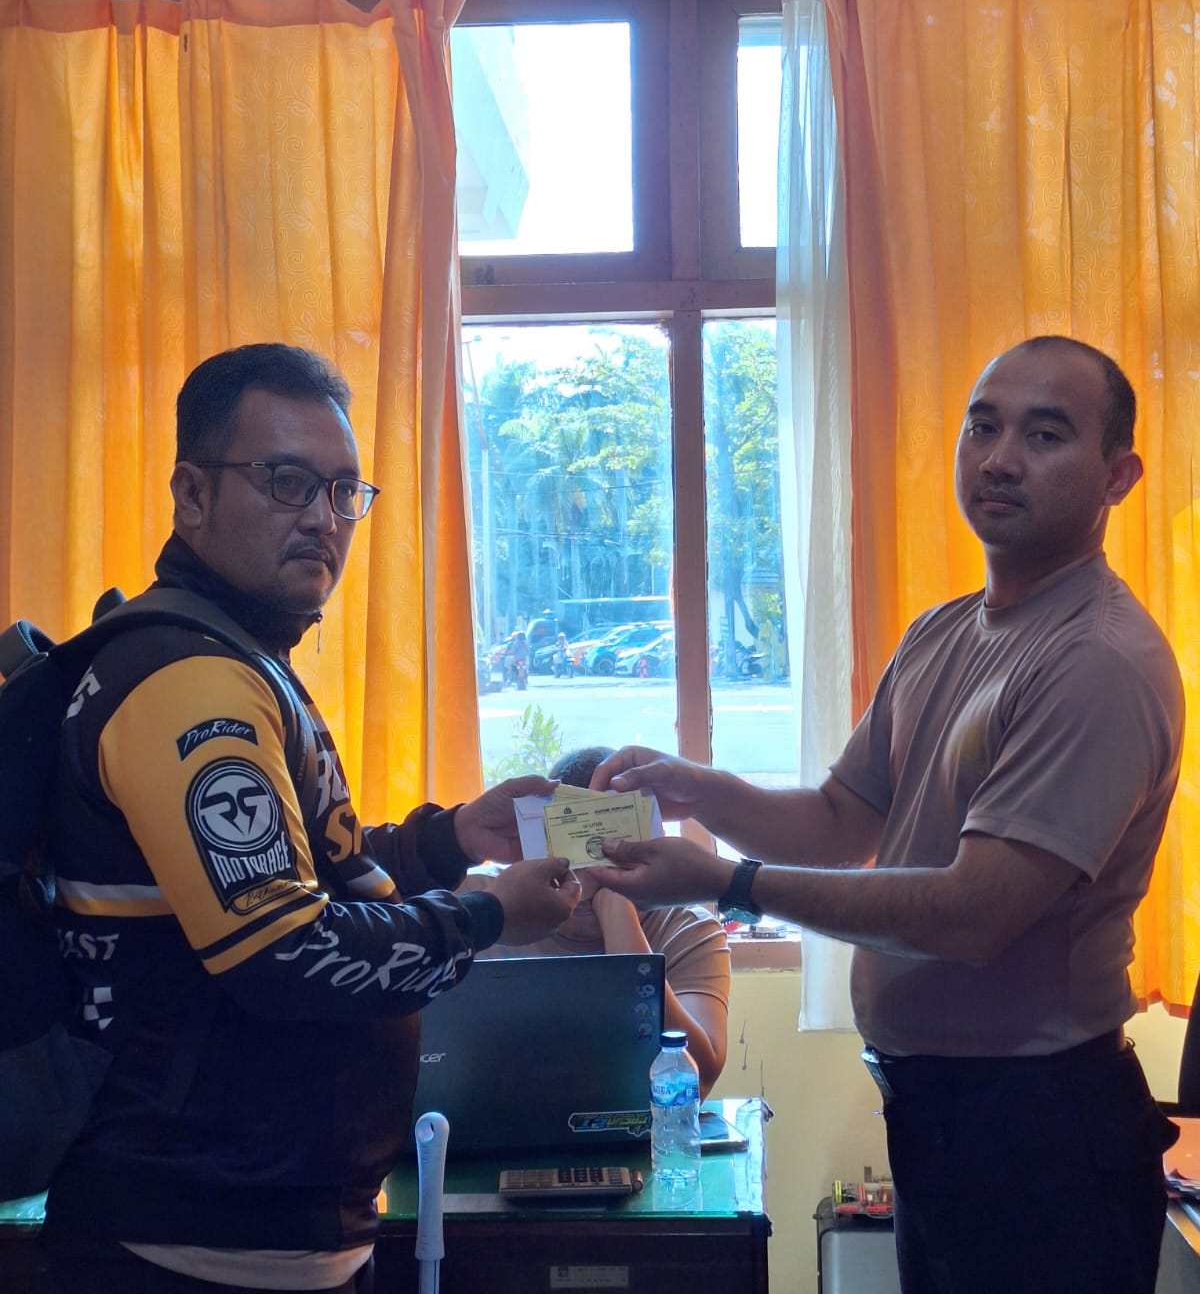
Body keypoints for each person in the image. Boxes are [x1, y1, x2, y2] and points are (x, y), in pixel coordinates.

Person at [588, 336, 1185, 1294]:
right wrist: (700, 790)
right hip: (938, 1118)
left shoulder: (1096, 660)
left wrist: (729, 882)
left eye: (1045, 435)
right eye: (983, 426)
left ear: (1119, 476)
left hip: (1043, 1134)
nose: (1000, 458)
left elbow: (977, 914)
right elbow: (842, 818)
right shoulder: (943, 632)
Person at [45, 343, 581, 1294]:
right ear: (192, 494)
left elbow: (292, 877)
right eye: (286, 482)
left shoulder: (238, 658)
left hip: (256, 1237)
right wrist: (487, 919)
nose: (322, 519)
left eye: (342, 492)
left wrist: (451, 840)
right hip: (184, 1248)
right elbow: (282, 950)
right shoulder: (188, 680)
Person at [460, 746, 730, 1094]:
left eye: (606, 855)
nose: (583, 883)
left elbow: (698, 1078)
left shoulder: (688, 929)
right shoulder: (481, 903)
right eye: (569, 857)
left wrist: (620, 913)